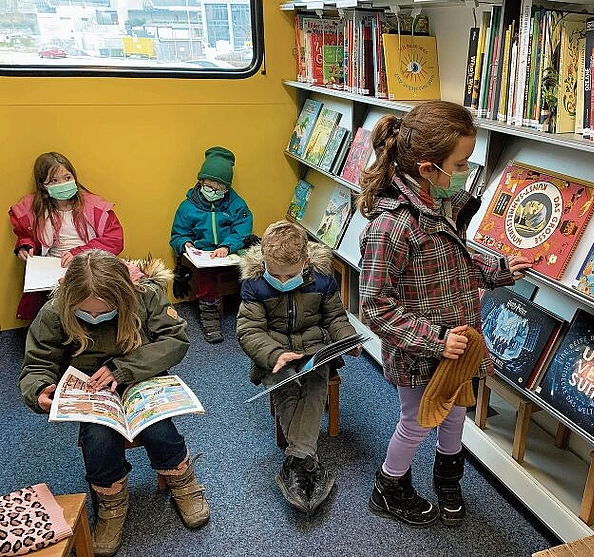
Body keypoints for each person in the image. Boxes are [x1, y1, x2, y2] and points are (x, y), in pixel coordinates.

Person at [357, 101, 533, 528]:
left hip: (456, 350)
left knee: (455, 413)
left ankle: (447, 476)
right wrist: (436, 339)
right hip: (422, 353)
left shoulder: (439, 206)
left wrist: (499, 270)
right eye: (460, 163)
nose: (464, 172)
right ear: (427, 167)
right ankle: (388, 486)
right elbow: (374, 306)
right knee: (417, 422)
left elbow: (456, 261)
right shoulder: (392, 227)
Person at [18, 250, 210, 557]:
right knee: (98, 439)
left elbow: (175, 340)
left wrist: (124, 368)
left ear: (124, 296)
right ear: (70, 299)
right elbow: (37, 363)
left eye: (104, 311)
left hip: (140, 375)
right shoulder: (55, 312)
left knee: (159, 429)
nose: (95, 318)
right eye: (86, 313)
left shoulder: (145, 295)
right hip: (93, 389)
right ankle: (111, 504)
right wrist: (38, 390)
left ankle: (183, 482)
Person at [237, 220, 359, 515]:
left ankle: (296, 458)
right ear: (264, 260)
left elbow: (335, 319)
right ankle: (306, 458)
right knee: (285, 387)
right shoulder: (254, 285)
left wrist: (348, 340)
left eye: (289, 275)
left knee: (317, 383)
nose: (280, 280)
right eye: (274, 274)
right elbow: (248, 330)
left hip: (313, 349)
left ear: (305, 262)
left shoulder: (322, 281)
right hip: (273, 352)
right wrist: (274, 354)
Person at [9, 152, 124, 320]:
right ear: (43, 185)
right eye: (54, 180)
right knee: (59, 306)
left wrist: (79, 253)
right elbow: (27, 234)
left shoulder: (95, 206)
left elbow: (115, 240)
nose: (62, 184)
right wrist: (26, 247)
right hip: (53, 269)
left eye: (67, 177)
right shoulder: (35, 209)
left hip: (91, 264)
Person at [170, 146, 253, 343]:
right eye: (209, 187)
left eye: (220, 188)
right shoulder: (187, 207)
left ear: (227, 188)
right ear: (200, 182)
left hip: (232, 251)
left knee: (252, 271)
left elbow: (242, 229)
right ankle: (210, 320)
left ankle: (251, 314)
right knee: (206, 280)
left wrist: (227, 246)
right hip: (205, 254)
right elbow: (178, 234)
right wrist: (186, 245)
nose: (213, 192)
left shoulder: (237, 204)